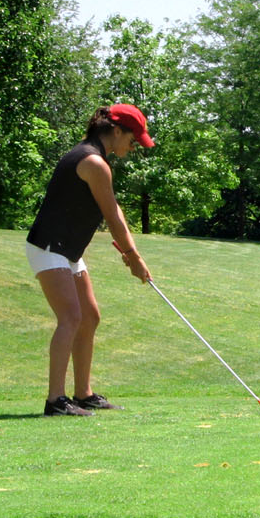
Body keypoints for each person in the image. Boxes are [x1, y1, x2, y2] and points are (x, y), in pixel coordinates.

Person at [25, 104, 154, 416]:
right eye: (133, 139)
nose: (133, 146)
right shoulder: (93, 161)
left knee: (90, 316)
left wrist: (132, 253)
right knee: (70, 317)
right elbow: (111, 216)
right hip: (48, 246)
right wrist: (132, 257)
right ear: (116, 131)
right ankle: (56, 401)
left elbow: (115, 209)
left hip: (67, 250)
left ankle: (83, 394)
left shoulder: (95, 159)